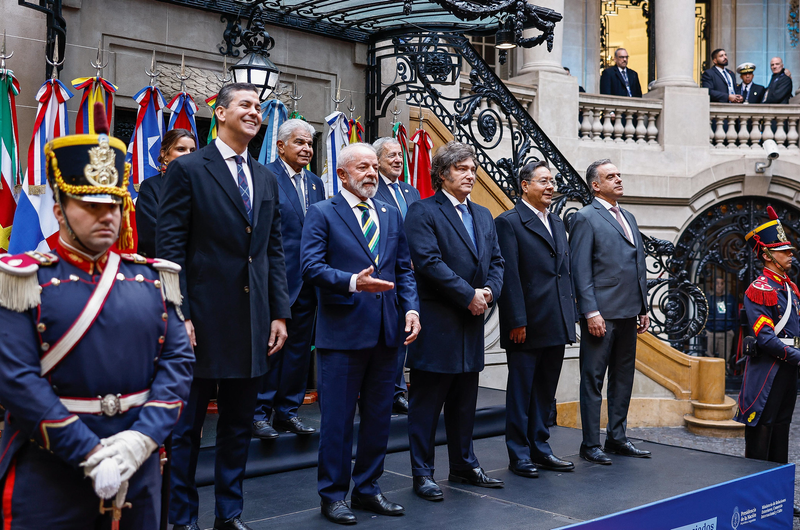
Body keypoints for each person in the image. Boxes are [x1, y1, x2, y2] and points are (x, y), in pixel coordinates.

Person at [0, 105, 193, 529]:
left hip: (138, 464)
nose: (107, 216)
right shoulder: (22, 280)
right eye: (90, 204)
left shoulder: (154, 278)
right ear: (59, 208)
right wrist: (88, 451)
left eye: (114, 204)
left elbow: (178, 365)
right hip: (50, 469)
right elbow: (16, 380)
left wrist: (140, 440)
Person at [159, 83, 291, 530]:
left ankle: (228, 515)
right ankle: (182, 518)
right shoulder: (189, 169)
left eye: (259, 107)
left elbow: (272, 251)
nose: (255, 112)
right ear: (220, 112)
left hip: (252, 324)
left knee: (237, 428)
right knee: (186, 431)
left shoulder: (266, 177)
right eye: (245, 105)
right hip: (199, 322)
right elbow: (170, 249)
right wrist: (180, 314)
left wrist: (279, 312)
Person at [301, 143, 420, 525]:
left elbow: (403, 269)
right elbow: (310, 267)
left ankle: (368, 488)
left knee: (379, 419)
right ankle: (333, 496)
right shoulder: (322, 212)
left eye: (373, 167)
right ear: (342, 174)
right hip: (342, 335)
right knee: (337, 423)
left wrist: (411, 309)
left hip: (387, 334)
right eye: (363, 167)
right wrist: (353, 282)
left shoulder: (389, 212)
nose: (371, 173)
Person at [405, 141, 505, 501]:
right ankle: (423, 473)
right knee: (427, 406)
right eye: (462, 169)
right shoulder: (422, 211)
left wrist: (489, 293)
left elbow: (497, 261)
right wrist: (468, 295)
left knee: (465, 402)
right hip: (438, 324)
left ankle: (463, 464)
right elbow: (428, 262)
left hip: (471, 324)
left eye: (473, 169)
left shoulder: (483, 214)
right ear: (442, 174)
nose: (470, 175)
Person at [495, 161, 577, 479]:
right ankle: (519, 454)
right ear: (525, 185)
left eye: (552, 181)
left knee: (544, 391)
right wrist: (516, 320)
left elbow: (564, 273)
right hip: (526, 324)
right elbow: (509, 276)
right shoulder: (509, 222)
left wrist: (571, 315)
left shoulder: (556, 221)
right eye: (543, 181)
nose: (551, 186)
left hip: (556, 320)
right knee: (521, 393)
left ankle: (540, 448)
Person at [570, 159, 650, 465]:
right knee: (593, 380)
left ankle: (617, 438)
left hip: (630, 313)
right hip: (600, 316)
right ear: (595, 185)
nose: (618, 179)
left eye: (619, 175)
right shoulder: (585, 217)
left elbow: (638, 264)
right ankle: (590, 444)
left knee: (623, 378)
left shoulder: (628, 216)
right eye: (611, 176)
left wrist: (643, 307)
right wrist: (590, 311)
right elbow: (580, 270)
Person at [253, 119, 325, 439]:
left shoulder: (315, 183)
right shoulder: (264, 175)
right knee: (271, 348)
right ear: (280, 146)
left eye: (310, 143)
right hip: (276, 280)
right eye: (300, 142)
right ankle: (258, 413)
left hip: (309, 281)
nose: (307, 149)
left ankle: (287, 411)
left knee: (298, 351)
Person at [736, 205, 800, 518]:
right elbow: (764, 337)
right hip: (770, 368)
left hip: (789, 367)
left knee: (782, 428)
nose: (791, 255)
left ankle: (778, 498)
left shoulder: (790, 288)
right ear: (767, 255)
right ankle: (753, 500)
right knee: (762, 428)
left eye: (789, 251)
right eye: (784, 251)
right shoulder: (759, 289)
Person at [372, 136, 421, 415]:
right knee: (386, 337)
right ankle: (388, 391)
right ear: (377, 161)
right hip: (385, 273)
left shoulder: (410, 191)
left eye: (400, 155)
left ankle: (398, 390)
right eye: (391, 155)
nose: (398, 160)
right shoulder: (372, 189)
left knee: (404, 332)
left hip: (410, 274)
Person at [135, 128, 196, 258]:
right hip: (163, 262)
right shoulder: (150, 187)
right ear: (165, 154)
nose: (188, 154)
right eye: (181, 149)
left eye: (192, 150)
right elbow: (150, 235)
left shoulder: (202, 185)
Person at [706, 277, 737, 362]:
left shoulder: (730, 297)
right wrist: (706, 330)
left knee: (724, 360)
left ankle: (725, 371)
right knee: (709, 359)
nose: (719, 286)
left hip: (726, 333)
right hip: (711, 332)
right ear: (712, 285)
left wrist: (732, 331)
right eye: (717, 283)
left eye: (722, 283)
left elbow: (735, 315)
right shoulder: (707, 297)